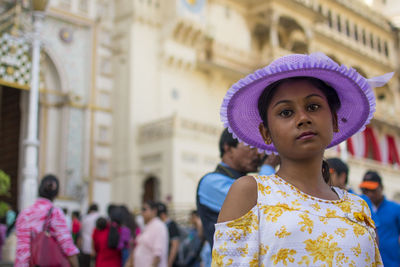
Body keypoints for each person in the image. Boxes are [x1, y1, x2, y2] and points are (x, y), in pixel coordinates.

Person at [212, 52, 393, 265]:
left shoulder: (358, 207)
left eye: (313, 107)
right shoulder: (251, 193)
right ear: (266, 132)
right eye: (286, 112)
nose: (303, 118)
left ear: (334, 120)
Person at [196, 128, 280, 248]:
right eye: (252, 147)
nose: (259, 153)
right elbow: (262, 206)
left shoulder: (247, 180)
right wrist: (268, 166)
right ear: (228, 148)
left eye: (260, 148)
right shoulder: (210, 182)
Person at [15, 174, 79, 267]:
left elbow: (21, 248)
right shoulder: (55, 213)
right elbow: (67, 246)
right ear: (56, 193)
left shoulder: (24, 214)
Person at [359, 170, 400, 267]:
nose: (369, 194)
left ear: (381, 188)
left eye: (373, 190)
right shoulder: (359, 208)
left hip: (390, 263)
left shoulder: (395, 209)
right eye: (365, 190)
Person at [327, 157, 380, 227]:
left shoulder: (360, 202)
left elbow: (373, 231)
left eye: (330, 173)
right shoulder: (321, 200)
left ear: (342, 177)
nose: (324, 176)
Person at [129, 200, 168, 267]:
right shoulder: (148, 226)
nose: (142, 212)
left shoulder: (158, 226)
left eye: (144, 209)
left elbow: (158, 255)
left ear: (154, 211)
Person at [158, 202, 181, 267]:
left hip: (170, 262)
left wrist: (169, 263)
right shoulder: (161, 225)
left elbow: (175, 245)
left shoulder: (171, 225)